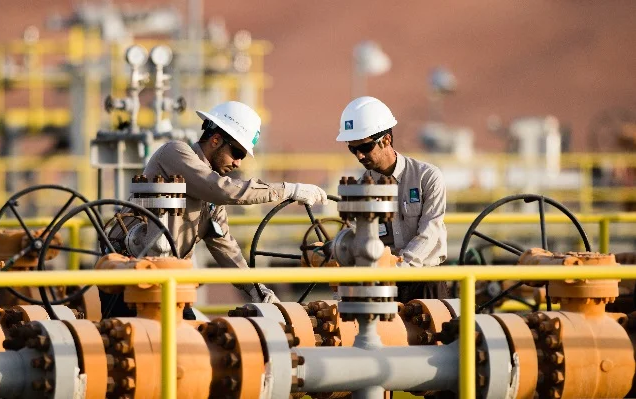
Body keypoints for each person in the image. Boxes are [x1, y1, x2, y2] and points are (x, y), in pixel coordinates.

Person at [123, 100, 328, 310]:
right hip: (128, 277)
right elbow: (223, 189)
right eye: (237, 153)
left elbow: (225, 246)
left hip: (166, 284)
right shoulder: (175, 153)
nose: (238, 163)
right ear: (215, 140)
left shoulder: (211, 198)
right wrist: (287, 190)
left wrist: (256, 290)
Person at [336, 96, 448, 303]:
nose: (359, 156)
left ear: (386, 140)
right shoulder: (360, 189)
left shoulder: (427, 177)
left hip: (426, 280)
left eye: (365, 147)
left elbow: (430, 231)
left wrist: (399, 268)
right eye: (353, 149)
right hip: (384, 285)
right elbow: (354, 236)